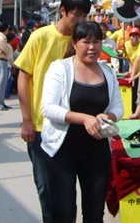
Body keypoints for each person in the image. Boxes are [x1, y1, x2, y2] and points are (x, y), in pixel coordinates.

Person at [15, 0, 91, 223]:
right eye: (76, 14)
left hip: (74, 127)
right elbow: (23, 77)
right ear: (63, 11)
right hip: (42, 128)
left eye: (84, 15)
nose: (81, 20)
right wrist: (27, 120)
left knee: (69, 193)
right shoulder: (40, 37)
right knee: (48, 191)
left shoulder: (83, 42)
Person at [40, 21, 123, 222]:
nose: (92, 47)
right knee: (63, 213)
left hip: (97, 152)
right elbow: (48, 108)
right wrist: (84, 118)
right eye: (86, 42)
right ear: (74, 43)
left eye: (97, 42)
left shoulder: (108, 72)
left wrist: (107, 117)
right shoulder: (60, 69)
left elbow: (118, 108)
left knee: (94, 214)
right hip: (62, 152)